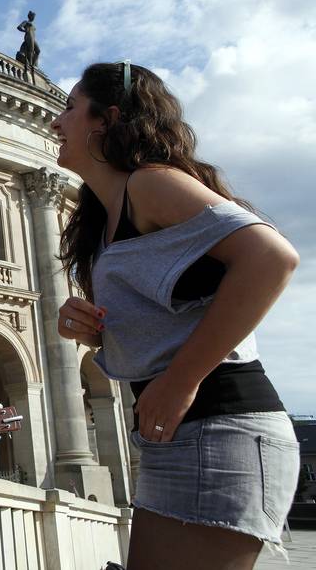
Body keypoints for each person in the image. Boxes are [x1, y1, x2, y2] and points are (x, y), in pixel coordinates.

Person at [52, 62, 300, 569]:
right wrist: (96, 331)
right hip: (178, 434)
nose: (57, 121)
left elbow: (271, 257)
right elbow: (171, 327)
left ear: (106, 119)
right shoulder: (104, 222)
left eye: (71, 107)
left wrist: (181, 380)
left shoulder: (150, 184)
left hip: (222, 422)